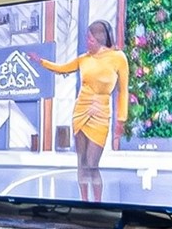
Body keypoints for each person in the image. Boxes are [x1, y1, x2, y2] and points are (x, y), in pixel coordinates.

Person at [39, 20, 130, 203]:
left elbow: (123, 91)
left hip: (101, 114)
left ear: (100, 39)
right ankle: (84, 202)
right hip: (81, 111)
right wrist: (41, 61)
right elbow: (61, 69)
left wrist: (121, 119)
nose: (87, 42)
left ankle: (97, 204)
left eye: (90, 39)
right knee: (81, 162)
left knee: (92, 164)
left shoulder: (118, 58)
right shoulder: (84, 59)